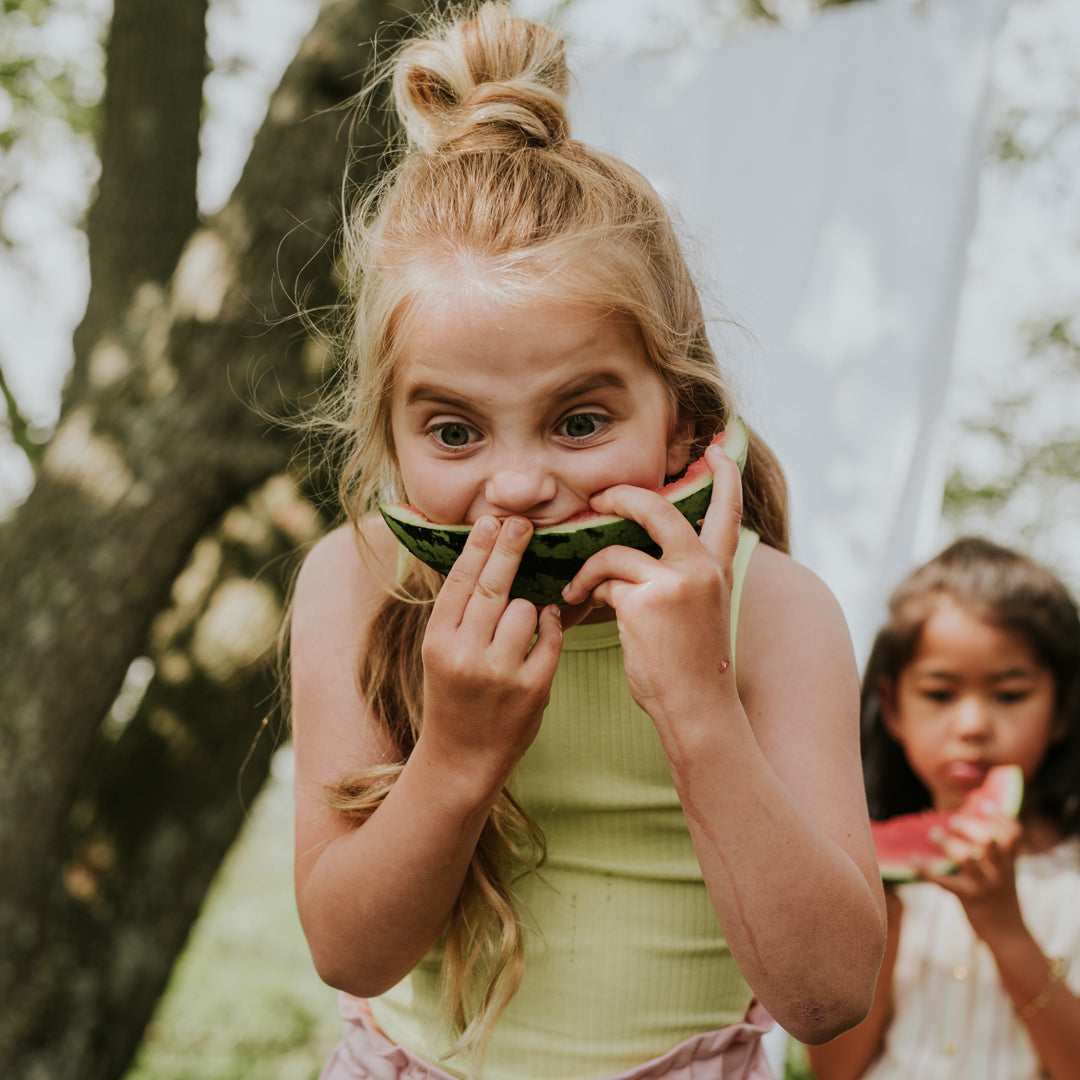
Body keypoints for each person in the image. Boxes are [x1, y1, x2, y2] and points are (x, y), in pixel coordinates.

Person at [289, 5, 884, 1079]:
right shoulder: (357, 584)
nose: (520, 484)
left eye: (580, 421)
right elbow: (351, 952)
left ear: (686, 418)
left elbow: (831, 995)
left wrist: (697, 709)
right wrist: (459, 754)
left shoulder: (777, 611)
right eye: (454, 430)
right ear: (388, 435)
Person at [806, 537, 1080, 1080]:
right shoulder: (866, 873)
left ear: (1062, 712)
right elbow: (835, 1071)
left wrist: (1006, 931)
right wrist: (871, 915)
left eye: (1008, 695)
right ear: (893, 708)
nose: (973, 725)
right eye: (939, 693)